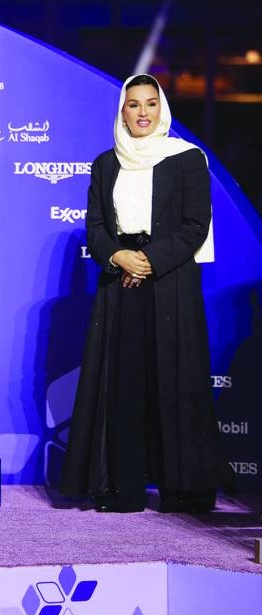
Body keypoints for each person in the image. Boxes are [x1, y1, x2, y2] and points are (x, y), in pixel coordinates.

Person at [60, 74, 221, 512]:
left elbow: (194, 225)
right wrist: (119, 258)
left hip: (170, 281)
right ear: (122, 111)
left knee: (174, 381)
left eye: (150, 103)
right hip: (120, 283)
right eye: (133, 105)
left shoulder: (187, 158)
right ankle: (121, 488)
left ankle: (182, 490)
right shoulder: (105, 163)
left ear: (162, 109)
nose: (143, 113)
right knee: (124, 384)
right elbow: (95, 228)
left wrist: (147, 260)